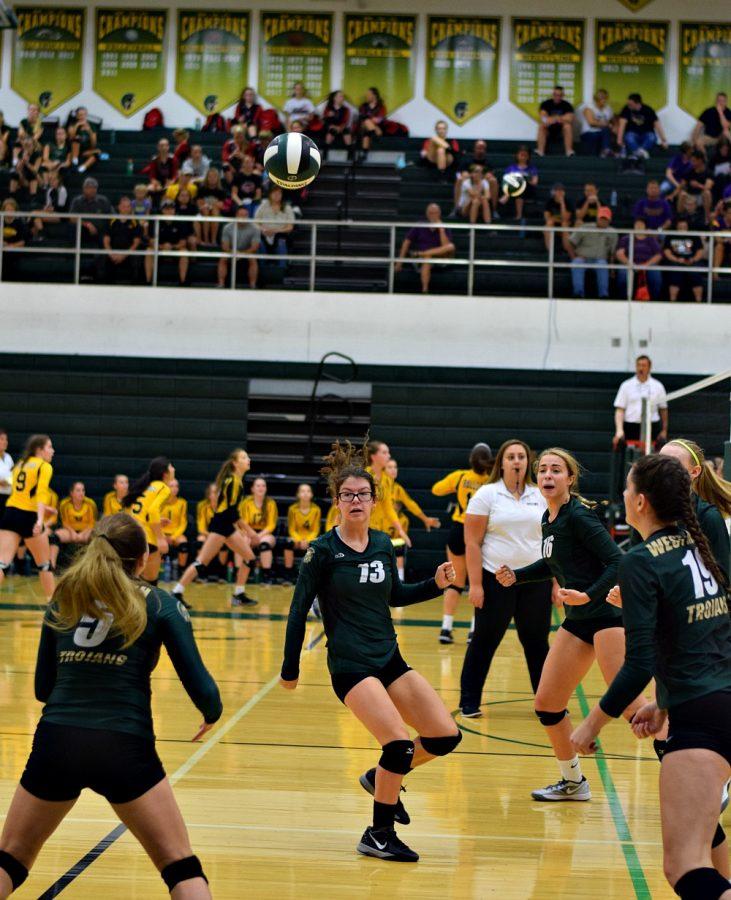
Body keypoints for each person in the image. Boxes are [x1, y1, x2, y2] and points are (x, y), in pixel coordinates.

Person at [0, 513, 221, 899]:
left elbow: (42, 688)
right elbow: (205, 692)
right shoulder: (160, 604)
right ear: (141, 559)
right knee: (180, 865)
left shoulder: (63, 598)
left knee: (10, 860)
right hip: (124, 744)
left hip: (57, 742)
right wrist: (210, 715)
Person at [279, 440, 460, 863]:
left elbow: (395, 595)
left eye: (363, 494)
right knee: (397, 745)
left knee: (445, 735)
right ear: (337, 502)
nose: (356, 500)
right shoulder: (323, 551)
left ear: (374, 501)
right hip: (352, 666)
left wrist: (435, 584)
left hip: (389, 658)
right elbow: (296, 611)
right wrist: (290, 668)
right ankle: (378, 834)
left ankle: (380, 778)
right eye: (348, 495)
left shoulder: (382, 544)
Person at [569, 455, 730, 900]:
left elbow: (638, 662)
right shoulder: (700, 547)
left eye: (625, 488)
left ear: (639, 501)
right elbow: (706, 636)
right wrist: (662, 702)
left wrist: (589, 724)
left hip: (701, 714)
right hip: (715, 701)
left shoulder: (639, 561)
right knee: (702, 848)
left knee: (683, 866)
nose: (622, 496)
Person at [495, 447, 647, 801]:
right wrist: (516, 577)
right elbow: (552, 564)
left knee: (631, 706)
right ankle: (573, 782)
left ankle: (698, 771)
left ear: (570, 479)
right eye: (543, 470)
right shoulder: (549, 518)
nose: (548, 475)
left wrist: (588, 595)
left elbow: (617, 561)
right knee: (547, 703)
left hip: (608, 618)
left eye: (556, 470)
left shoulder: (580, 516)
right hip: (578, 620)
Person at [460, 439, 552, 717]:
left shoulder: (541, 495)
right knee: (484, 641)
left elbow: (552, 542)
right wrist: (475, 585)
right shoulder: (487, 494)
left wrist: (558, 583)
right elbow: (472, 543)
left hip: (535, 581)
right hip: (495, 580)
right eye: (510, 456)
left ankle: (547, 704)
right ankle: (469, 702)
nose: (516, 461)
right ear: (501, 462)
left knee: (537, 644)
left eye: (521, 456)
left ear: (528, 462)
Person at [172, 449, 256, 608]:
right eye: (244, 457)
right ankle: (176, 592)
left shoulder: (236, 480)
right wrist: (249, 530)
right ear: (235, 463)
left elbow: (230, 510)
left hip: (226, 525)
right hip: (221, 525)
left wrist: (241, 529)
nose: (248, 459)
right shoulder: (232, 481)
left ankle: (239, 594)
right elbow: (231, 512)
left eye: (247, 456)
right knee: (202, 562)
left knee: (250, 558)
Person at [430, 443, 492, 644]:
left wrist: (455, 486)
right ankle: (474, 632)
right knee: (478, 584)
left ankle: (445, 629)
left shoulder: (460, 476)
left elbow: (436, 490)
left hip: (458, 530)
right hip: (479, 533)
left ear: (470, 461)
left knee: (455, 583)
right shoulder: (491, 482)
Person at [0, 434, 56, 600]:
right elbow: (40, 494)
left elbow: (16, 489)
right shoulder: (44, 466)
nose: (52, 451)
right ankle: (53, 610)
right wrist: (40, 520)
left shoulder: (20, 464)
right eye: (49, 447)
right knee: (45, 565)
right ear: (39, 450)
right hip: (29, 516)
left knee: (2, 564)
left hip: (10, 513)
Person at [384, 458, 440, 581]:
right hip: (375, 526)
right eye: (390, 467)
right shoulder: (378, 485)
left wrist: (425, 519)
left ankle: (400, 581)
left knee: (398, 550)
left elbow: (410, 504)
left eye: (395, 467)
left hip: (392, 528)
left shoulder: (397, 488)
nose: (393, 470)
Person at [122, 457, 175, 586]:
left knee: (134, 578)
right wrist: (161, 538)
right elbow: (152, 511)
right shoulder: (163, 487)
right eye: (171, 466)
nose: (173, 468)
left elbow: (135, 511)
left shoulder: (147, 486)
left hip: (133, 535)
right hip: (147, 538)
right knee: (150, 582)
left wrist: (154, 521)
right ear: (165, 473)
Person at [395, 203, 455, 294]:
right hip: (423, 259)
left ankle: (422, 253)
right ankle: (425, 290)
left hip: (439, 257)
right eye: (431, 213)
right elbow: (406, 242)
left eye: (435, 213)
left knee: (451, 246)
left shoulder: (445, 227)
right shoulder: (419, 225)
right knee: (428, 257)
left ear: (439, 214)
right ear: (427, 214)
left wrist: (441, 230)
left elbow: (445, 246)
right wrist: (400, 261)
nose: (433, 215)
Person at [613, 354, 668, 450]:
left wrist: (664, 430)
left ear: (649, 367)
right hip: (631, 426)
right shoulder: (626, 385)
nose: (641, 368)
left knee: (652, 452)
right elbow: (620, 409)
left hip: (652, 425)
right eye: (638, 365)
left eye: (644, 365)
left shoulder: (658, 386)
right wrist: (619, 430)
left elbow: (663, 410)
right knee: (629, 450)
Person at [365, 441, 411, 549]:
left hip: (377, 530)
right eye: (384, 453)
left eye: (388, 452)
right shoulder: (364, 475)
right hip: (360, 528)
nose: (389, 456)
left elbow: (388, 507)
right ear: (374, 456)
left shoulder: (387, 480)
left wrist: (400, 530)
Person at [567, 206, 617, 299]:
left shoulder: (613, 232)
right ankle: (578, 294)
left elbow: (612, 253)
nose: (603, 221)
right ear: (597, 218)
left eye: (605, 219)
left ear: (609, 220)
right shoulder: (585, 227)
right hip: (583, 258)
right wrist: (573, 257)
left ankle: (603, 295)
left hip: (600, 259)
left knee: (603, 264)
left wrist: (612, 269)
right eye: (601, 218)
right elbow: (570, 242)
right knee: (577, 263)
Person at [238, 477, 278, 584]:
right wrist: (251, 536)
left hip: (265, 533)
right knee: (240, 542)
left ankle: (266, 575)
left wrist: (258, 536)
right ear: (252, 489)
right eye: (258, 485)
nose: (261, 488)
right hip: (248, 532)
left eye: (263, 485)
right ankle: (239, 573)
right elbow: (244, 523)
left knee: (264, 544)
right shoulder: (246, 503)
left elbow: (271, 525)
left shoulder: (271, 503)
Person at [615, 217, 663, 300]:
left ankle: (654, 300)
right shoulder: (626, 238)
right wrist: (631, 264)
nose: (639, 226)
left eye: (641, 224)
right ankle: (624, 299)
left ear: (645, 227)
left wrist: (646, 265)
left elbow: (658, 255)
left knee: (655, 275)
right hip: (629, 264)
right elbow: (620, 254)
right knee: (623, 275)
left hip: (647, 265)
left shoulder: (651, 240)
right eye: (637, 224)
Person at [51, 482, 97, 568]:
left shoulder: (90, 503)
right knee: (54, 537)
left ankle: (93, 568)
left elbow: (92, 523)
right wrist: (73, 533)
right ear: (71, 493)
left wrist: (82, 534)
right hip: (70, 531)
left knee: (96, 538)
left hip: (86, 532)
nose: (81, 493)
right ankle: (51, 567)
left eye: (83, 490)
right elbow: (65, 523)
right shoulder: (64, 504)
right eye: (78, 490)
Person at [283, 483, 321, 582]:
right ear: (298, 494)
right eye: (302, 491)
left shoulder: (316, 509)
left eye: (308, 491)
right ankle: (288, 574)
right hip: (297, 538)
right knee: (288, 543)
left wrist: (307, 540)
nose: (305, 493)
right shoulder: (292, 509)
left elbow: (315, 530)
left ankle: (310, 575)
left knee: (317, 545)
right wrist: (300, 540)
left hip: (311, 538)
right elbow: (292, 529)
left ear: (311, 495)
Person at [662, 218, 706, 302]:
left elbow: (700, 251)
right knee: (675, 272)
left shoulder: (694, 236)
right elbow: (667, 252)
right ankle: (672, 301)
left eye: (684, 227)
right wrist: (676, 259)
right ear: (677, 227)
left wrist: (693, 259)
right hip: (675, 261)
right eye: (680, 227)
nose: (682, 228)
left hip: (692, 261)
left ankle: (699, 301)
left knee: (695, 273)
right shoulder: (670, 235)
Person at [217, 206, 259, 289]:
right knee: (223, 258)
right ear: (236, 216)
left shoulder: (255, 228)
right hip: (231, 251)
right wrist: (234, 253)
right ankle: (221, 284)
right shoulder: (227, 227)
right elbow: (225, 246)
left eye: (245, 215)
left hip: (247, 251)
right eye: (241, 215)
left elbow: (255, 247)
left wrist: (242, 253)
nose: (243, 217)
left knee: (253, 259)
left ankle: (253, 285)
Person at [102, 197, 143, 284]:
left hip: (129, 253)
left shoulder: (135, 222)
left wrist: (124, 255)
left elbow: (136, 243)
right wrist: (111, 254)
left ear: (131, 208)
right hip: (113, 252)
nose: (126, 208)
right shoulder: (111, 221)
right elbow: (106, 240)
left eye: (128, 206)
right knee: (102, 259)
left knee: (137, 260)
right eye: (123, 206)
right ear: (119, 207)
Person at [617, 93, 668, 159]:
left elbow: (657, 125)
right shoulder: (626, 109)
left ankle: (637, 154)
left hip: (646, 134)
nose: (629, 106)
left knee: (652, 137)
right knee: (629, 137)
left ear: (638, 103)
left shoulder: (648, 110)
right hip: (632, 133)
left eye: (631, 104)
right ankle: (642, 153)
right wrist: (619, 139)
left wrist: (663, 140)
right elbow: (622, 125)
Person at [69, 178, 113, 253]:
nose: (92, 190)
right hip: (84, 230)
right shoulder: (77, 201)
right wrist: (87, 224)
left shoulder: (103, 201)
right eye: (89, 187)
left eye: (94, 187)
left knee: (109, 232)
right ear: (84, 189)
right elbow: (71, 218)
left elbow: (112, 216)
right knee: (73, 227)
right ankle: (74, 251)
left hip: (101, 231)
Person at [254, 185, 294, 264]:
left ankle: (282, 267)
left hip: (280, 234)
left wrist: (277, 231)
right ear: (270, 194)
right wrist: (263, 230)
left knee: (281, 240)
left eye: (279, 193)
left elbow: (290, 227)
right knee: (259, 240)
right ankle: (263, 266)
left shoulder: (287, 207)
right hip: (264, 233)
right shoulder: (263, 206)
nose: (277, 195)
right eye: (274, 193)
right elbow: (255, 222)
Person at [454, 141, 498, 211]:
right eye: (478, 148)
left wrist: (480, 177)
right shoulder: (467, 161)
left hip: (483, 185)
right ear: (474, 149)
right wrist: (472, 176)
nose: (480, 150)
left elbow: (492, 174)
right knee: (460, 179)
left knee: (493, 181)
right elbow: (458, 173)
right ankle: (457, 208)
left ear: (485, 150)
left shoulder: (489, 162)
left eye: (482, 148)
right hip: (469, 184)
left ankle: (494, 210)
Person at [499, 146, 539, 222]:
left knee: (520, 182)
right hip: (514, 189)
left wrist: (523, 179)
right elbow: (506, 180)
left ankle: (507, 195)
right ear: (517, 156)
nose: (523, 157)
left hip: (528, 189)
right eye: (521, 155)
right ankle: (518, 215)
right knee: (518, 189)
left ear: (528, 157)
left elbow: (535, 182)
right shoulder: (511, 168)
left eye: (525, 155)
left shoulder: (532, 168)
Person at [160, 478, 189, 578]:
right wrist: (162, 536)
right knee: (156, 544)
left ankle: (181, 572)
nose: (175, 488)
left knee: (183, 544)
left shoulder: (182, 503)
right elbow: (155, 521)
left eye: (176, 486)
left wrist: (173, 537)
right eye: (172, 486)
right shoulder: (159, 502)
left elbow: (183, 523)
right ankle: (159, 571)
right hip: (161, 533)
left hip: (175, 533)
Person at [536, 86, 575, 158]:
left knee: (568, 126)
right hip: (549, 129)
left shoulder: (567, 105)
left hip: (561, 130)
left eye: (560, 95)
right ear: (552, 95)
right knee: (541, 125)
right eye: (555, 95)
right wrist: (559, 118)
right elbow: (543, 118)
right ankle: (540, 151)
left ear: (563, 95)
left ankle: (569, 151)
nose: (557, 97)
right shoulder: (546, 104)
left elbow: (570, 118)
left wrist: (553, 118)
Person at [196, 168, 228, 246]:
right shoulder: (202, 189)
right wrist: (211, 204)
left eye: (214, 176)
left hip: (216, 212)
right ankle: (206, 240)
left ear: (218, 179)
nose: (212, 178)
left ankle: (213, 240)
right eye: (210, 176)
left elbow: (221, 205)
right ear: (207, 178)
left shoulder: (221, 191)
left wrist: (210, 205)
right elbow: (199, 203)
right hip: (203, 212)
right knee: (206, 210)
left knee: (215, 211)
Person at [679, 150, 714, 223]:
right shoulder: (689, 172)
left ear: (700, 160)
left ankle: (707, 218)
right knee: (682, 194)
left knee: (707, 193)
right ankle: (680, 217)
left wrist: (698, 185)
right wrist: (672, 195)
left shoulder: (708, 173)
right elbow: (681, 186)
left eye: (694, 161)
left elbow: (708, 187)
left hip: (701, 197)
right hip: (690, 197)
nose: (692, 163)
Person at [580, 89, 615, 157]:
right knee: (600, 133)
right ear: (596, 99)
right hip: (588, 132)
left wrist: (613, 127)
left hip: (603, 132)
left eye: (605, 98)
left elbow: (612, 121)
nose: (604, 100)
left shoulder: (608, 109)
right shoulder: (589, 108)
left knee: (606, 131)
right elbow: (591, 122)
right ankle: (605, 150)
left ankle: (606, 151)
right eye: (602, 98)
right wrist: (606, 124)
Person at [543, 182, 573, 253]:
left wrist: (562, 203)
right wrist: (559, 220)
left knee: (564, 225)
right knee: (549, 224)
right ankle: (550, 251)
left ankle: (567, 249)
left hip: (565, 225)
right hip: (553, 225)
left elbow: (565, 218)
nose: (559, 192)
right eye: (557, 190)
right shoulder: (549, 202)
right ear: (553, 192)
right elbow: (547, 218)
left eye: (561, 190)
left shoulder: (568, 202)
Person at [68, 107, 100, 174]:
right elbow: (70, 138)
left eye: (84, 115)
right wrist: (77, 126)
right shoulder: (72, 124)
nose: (82, 117)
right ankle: (74, 162)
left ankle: (81, 169)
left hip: (86, 150)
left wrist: (89, 131)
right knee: (76, 141)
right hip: (74, 150)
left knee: (94, 157)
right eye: (80, 115)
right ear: (76, 116)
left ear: (86, 115)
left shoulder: (92, 125)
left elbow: (94, 144)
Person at [357, 87, 387, 155]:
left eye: (368, 95)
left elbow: (380, 119)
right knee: (366, 121)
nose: (366, 96)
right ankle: (373, 135)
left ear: (374, 95)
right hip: (369, 128)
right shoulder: (363, 106)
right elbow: (362, 118)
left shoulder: (381, 106)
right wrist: (372, 120)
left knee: (367, 132)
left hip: (378, 129)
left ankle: (364, 154)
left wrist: (372, 121)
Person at [322, 90, 352, 156]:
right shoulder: (328, 108)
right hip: (331, 127)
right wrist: (328, 117)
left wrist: (340, 128)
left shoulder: (346, 109)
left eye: (343, 97)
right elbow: (324, 119)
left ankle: (350, 155)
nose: (342, 98)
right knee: (331, 131)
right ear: (335, 98)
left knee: (347, 132)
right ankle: (325, 154)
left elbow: (345, 121)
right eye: (340, 96)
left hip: (341, 127)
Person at [0, 430, 13, 519]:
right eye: (2, 439)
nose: (5, 442)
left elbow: (14, 476)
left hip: (8, 497)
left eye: (6, 439)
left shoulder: (8, 457)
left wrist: (8, 481)